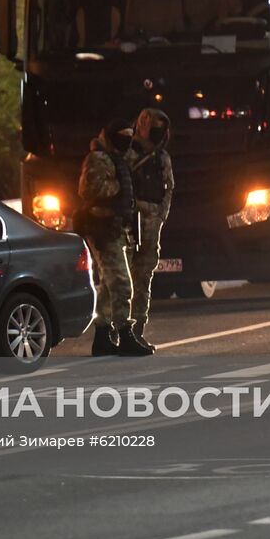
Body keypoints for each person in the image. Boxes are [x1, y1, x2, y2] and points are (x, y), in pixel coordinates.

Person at [78, 123, 147, 356]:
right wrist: (119, 185)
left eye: (130, 137)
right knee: (120, 283)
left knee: (107, 287)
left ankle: (103, 336)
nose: (126, 141)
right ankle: (124, 334)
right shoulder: (98, 158)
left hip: (116, 228)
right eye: (122, 137)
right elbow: (89, 190)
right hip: (103, 230)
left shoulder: (118, 158)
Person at [122, 109, 174, 354]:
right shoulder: (126, 151)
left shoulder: (161, 157)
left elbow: (168, 188)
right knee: (124, 275)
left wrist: (160, 216)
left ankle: (137, 327)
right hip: (130, 219)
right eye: (144, 122)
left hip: (151, 219)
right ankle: (118, 328)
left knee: (144, 275)